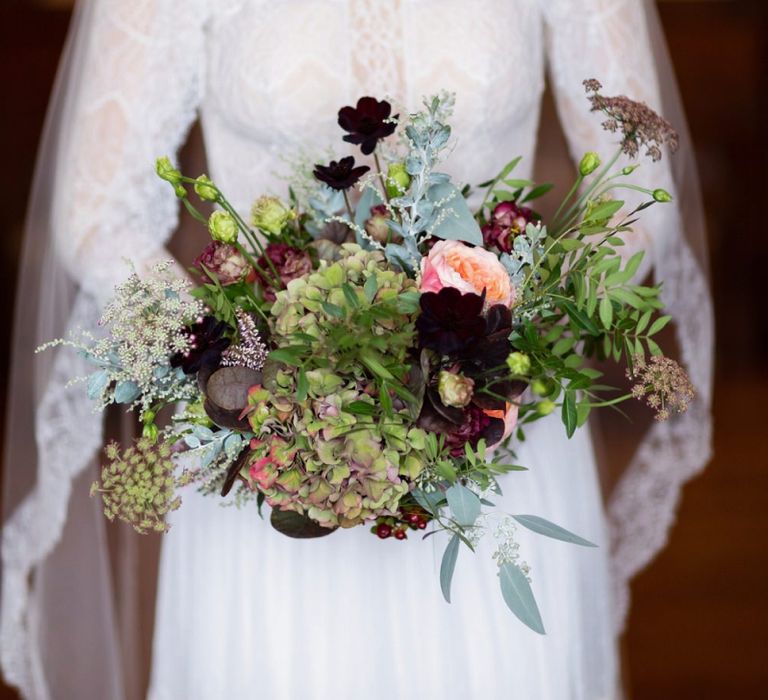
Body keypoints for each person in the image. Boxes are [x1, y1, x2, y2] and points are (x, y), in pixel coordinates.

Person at [1, 1, 713, 698]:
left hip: (493, 440)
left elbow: (641, 183)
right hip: (272, 451)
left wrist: (507, 340)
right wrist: (231, 365)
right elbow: (98, 212)